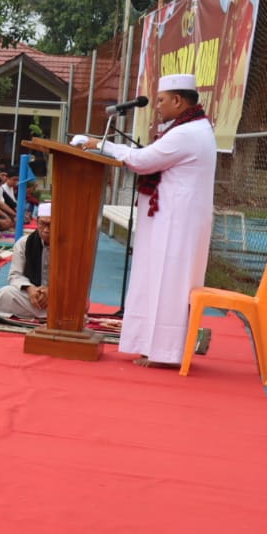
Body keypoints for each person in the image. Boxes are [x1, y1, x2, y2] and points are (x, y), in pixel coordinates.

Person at [78, 73, 217, 368]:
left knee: (169, 286)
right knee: (159, 283)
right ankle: (156, 349)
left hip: (177, 225)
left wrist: (98, 144)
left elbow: (143, 161)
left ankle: (166, 354)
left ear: (178, 101)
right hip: (171, 221)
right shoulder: (192, 127)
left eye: (163, 100)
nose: (158, 106)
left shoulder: (187, 132)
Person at [0, 202, 53, 320]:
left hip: (57, 296)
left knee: (80, 303)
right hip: (32, 296)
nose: (45, 230)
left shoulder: (69, 246)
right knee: (5, 294)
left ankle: (40, 313)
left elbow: (75, 280)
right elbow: (15, 274)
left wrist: (52, 290)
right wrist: (30, 289)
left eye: (50, 225)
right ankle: (50, 314)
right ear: (37, 222)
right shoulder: (24, 243)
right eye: (42, 224)